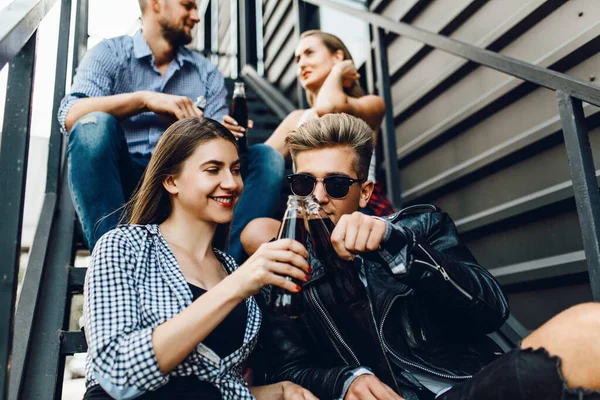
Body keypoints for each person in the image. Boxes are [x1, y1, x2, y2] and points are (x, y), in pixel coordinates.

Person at [243, 114, 600, 400]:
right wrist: (342, 381)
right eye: (305, 183)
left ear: (365, 193)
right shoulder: (287, 265)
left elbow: (491, 310)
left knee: (588, 329)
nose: (318, 197)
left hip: (470, 386)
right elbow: (286, 368)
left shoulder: (420, 226)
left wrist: (398, 247)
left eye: (335, 185)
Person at [83, 117, 317, 400]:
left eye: (236, 170)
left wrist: (278, 392)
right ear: (171, 181)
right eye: (213, 170)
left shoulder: (230, 268)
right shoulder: (124, 246)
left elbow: (214, 388)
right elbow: (117, 375)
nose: (231, 183)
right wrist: (236, 287)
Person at [58, 0, 283, 262]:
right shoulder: (110, 53)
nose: (196, 17)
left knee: (267, 157)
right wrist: (145, 100)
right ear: (156, 4)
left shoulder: (206, 71)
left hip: (184, 179)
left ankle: (224, 266)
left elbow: (216, 145)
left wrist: (225, 131)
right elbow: (71, 115)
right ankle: (116, 259)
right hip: (124, 178)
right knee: (92, 126)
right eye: (188, 6)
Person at [265, 30, 393, 216]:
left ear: (337, 56)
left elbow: (328, 108)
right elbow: (260, 161)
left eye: (309, 53)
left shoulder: (371, 104)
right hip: (311, 209)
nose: (301, 64)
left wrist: (338, 70)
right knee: (255, 231)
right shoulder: (296, 119)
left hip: (361, 209)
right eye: (297, 59)